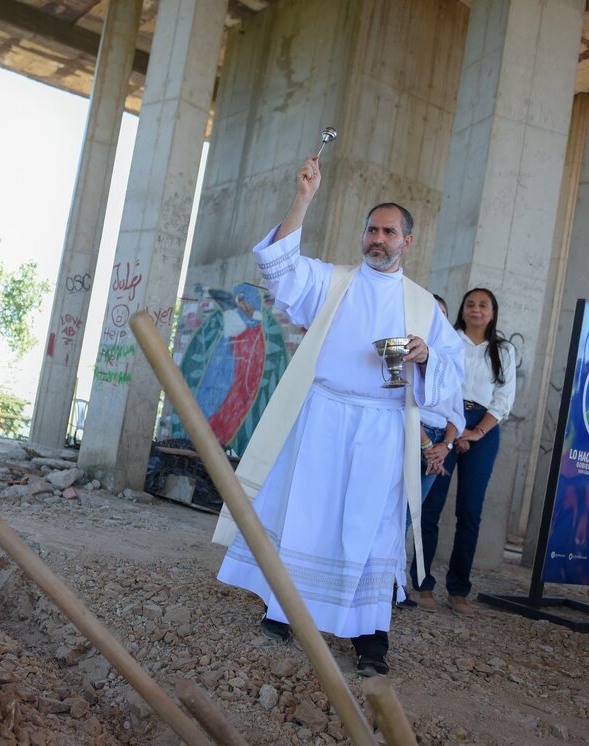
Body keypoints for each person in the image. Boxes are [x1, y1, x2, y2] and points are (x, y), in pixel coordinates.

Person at [212, 154, 464, 678]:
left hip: (381, 427)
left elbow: (454, 372)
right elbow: (280, 269)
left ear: (407, 242)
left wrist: (425, 357)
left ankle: (372, 637)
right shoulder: (333, 281)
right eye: (372, 229)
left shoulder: (424, 306)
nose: (377, 238)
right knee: (308, 513)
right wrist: (302, 199)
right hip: (323, 417)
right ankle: (285, 610)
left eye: (389, 232)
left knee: (372, 529)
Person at [412, 288, 516, 615]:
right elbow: (443, 387)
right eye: (470, 303)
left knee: (470, 510)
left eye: (483, 305)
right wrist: (455, 433)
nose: (476, 309)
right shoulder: (448, 340)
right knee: (431, 504)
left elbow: (504, 399)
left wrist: (475, 432)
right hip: (446, 423)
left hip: (483, 428)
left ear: (493, 312)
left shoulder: (505, 351)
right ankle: (421, 583)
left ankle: (459, 590)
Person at [398, 294, 464, 609]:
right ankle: (381, 586)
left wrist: (444, 448)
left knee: (410, 516)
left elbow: (456, 415)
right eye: (430, 313)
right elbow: (402, 403)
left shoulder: (450, 361)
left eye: (442, 314)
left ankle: (394, 586)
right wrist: (427, 447)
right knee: (392, 513)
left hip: (438, 443)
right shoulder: (403, 351)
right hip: (412, 433)